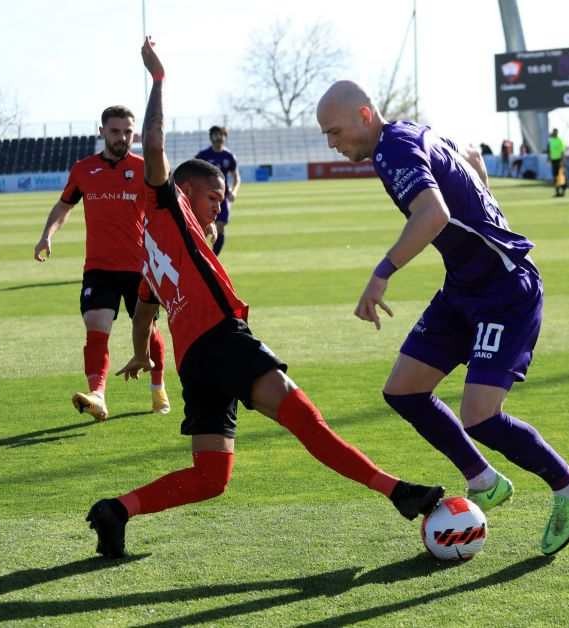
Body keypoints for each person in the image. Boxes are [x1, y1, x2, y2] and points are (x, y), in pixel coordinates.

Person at [85, 40, 444, 559]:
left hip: (193, 362)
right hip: (222, 339)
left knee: (211, 475)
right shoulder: (167, 203)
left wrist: (142, 351)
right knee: (306, 419)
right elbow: (157, 142)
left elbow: (144, 309)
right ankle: (397, 491)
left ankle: (116, 510)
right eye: (213, 198)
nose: (217, 209)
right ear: (184, 190)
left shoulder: (151, 245)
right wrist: (158, 80)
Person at [317, 80, 569, 556]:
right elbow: (465, 157)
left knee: (480, 416)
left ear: (365, 115)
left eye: (336, 131)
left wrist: (381, 274)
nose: (333, 143)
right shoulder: (407, 135)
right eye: (326, 136)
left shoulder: (393, 151)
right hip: (463, 287)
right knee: (403, 390)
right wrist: (482, 186)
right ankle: (483, 480)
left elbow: (433, 215)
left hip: (504, 290)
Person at [33, 105, 169, 421]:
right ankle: (98, 395)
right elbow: (63, 206)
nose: (122, 137)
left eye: (127, 132)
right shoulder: (83, 170)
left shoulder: (146, 168)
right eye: (115, 131)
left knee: (148, 331)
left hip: (141, 268)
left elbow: (168, 207)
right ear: (102, 132)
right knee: (96, 328)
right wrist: (47, 235)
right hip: (99, 268)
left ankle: (158, 387)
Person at [195, 125, 240, 255]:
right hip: (205, 198)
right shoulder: (203, 155)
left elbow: (236, 177)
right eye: (215, 135)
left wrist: (234, 191)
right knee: (203, 228)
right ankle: (198, 256)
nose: (218, 137)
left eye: (221, 135)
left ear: (225, 137)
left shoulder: (229, 156)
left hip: (222, 198)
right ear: (211, 138)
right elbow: (191, 171)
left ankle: (213, 259)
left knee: (220, 227)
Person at [547, 128, 566, 197]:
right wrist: (549, 158)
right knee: (555, 177)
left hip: (559, 160)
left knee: (561, 177)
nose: (554, 134)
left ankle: (563, 192)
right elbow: (549, 150)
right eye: (553, 133)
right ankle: (557, 192)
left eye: (555, 133)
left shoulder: (560, 141)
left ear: (557, 133)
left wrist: (562, 161)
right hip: (553, 161)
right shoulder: (551, 141)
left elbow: (562, 151)